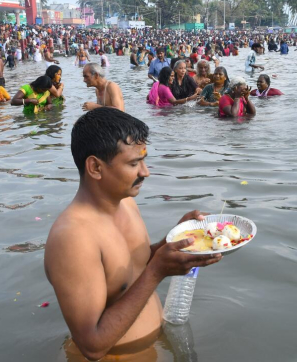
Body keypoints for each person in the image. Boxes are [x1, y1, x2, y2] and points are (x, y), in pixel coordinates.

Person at [45, 107, 222, 361]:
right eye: (133, 163)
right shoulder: (73, 237)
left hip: (152, 346)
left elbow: (135, 267)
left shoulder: (126, 202)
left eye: (143, 160)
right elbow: (92, 346)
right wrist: (158, 271)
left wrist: (172, 242)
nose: (145, 172)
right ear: (95, 167)